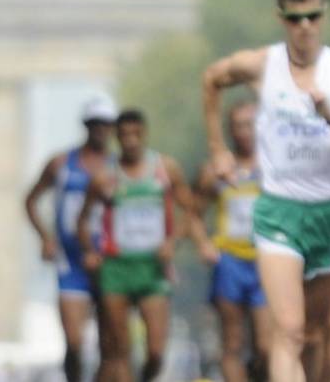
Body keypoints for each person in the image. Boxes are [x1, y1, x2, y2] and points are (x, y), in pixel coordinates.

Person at [202, 0, 330, 382]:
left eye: (312, 16)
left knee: (316, 333)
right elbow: (212, 79)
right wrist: (218, 149)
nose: (304, 26)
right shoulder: (263, 65)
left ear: (323, 15)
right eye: (295, 18)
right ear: (281, 19)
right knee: (289, 330)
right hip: (279, 210)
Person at [79, 108, 195, 382]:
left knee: (156, 352)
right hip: (116, 268)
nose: (131, 141)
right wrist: (90, 252)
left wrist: (173, 241)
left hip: (153, 268)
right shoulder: (104, 177)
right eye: (124, 135)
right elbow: (82, 220)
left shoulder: (165, 169)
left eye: (136, 134)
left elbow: (190, 210)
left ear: (145, 134)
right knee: (119, 351)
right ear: (117, 138)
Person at [24, 95, 117, 382]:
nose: (100, 129)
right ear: (85, 125)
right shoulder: (61, 164)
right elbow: (30, 200)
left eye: (106, 123)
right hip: (71, 262)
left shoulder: (119, 167)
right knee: (75, 343)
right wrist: (45, 237)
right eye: (94, 123)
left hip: (110, 263)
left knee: (110, 346)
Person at [189, 100, 271, 382]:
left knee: (265, 347)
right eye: (238, 126)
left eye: (250, 125)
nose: (245, 132)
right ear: (229, 130)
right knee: (232, 343)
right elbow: (194, 213)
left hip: (265, 261)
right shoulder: (216, 170)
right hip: (229, 262)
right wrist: (204, 244)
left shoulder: (273, 166)